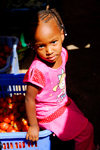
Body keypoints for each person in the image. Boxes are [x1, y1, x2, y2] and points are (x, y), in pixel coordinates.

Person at [23, 8, 95, 150]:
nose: (49, 51)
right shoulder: (38, 70)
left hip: (62, 102)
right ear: (33, 45)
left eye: (53, 42)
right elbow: (29, 99)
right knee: (87, 130)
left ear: (62, 35)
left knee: (81, 120)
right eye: (41, 46)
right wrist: (33, 125)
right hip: (49, 113)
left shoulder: (62, 53)